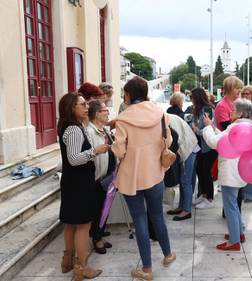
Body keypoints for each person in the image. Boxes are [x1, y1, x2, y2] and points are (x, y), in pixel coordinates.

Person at [112, 76, 176, 280]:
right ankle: (167, 254)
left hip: (131, 176)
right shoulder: (160, 113)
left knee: (139, 220)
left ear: (128, 94)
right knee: (157, 216)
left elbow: (119, 152)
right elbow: (169, 140)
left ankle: (147, 269)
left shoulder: (123, 119)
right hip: (155, 172)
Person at [57, 93, 108, 280]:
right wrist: (96, 150)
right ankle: (81, 266)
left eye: (86, 104)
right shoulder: (73, 129)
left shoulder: (72, 127)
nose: (87, 107)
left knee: (71, 223)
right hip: (78, 183)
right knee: (83, 225)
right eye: (82, 104)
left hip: (74, 182)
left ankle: (68, 262)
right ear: (71, 108)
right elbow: (74, 159)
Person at [203, 98, 252, 251]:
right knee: (234, 205)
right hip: (240, 171)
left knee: (230, 206)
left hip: (230, 172)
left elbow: (214, 142)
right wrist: (213, 126)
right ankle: (238, 233)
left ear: (239, 113)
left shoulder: (234, 127)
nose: (230, 112)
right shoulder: (249, 126)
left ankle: (234, 241)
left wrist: (207, 127)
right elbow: (225, 137)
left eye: (233, 110)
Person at [85, 100, 116, 254]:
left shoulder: (102, 129)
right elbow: (89, 155)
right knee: (98, 211)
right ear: (97, 114)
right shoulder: (89, 132)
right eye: (105, 110)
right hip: (97, 179)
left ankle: (100, 234)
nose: (108, 112)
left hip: (106, 176)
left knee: (104, 209)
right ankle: (96, 239)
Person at [214, 76, 245, 214]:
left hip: (239, 145)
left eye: (240, 88)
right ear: (229, 88)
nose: (239, 90)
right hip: (228, 146)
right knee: (231, 182)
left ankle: (233, 213)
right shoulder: (222, 105)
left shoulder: (238, 102)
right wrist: (239, 119)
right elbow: (227, 127)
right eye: (237, 88)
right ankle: (230, 213)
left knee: (239, 182)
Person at [166, 113, 199, 221]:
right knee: (184, 180)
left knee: (186, 181)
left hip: (188, 148)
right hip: (190, 146)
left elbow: (172, 140)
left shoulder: (164, 119)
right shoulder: (166, 116)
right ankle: (182, 207)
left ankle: (187, 210)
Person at [190, 88, 217, 209]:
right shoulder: (198, 109)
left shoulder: (207, 109)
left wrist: (197, 130)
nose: (191, 100)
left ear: (197, 97)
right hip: (201, 146)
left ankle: (209, 198)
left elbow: (208, 128)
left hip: (209, 146)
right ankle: (204, 194)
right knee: (200, 170)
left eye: (192, 98)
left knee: (206, 172)